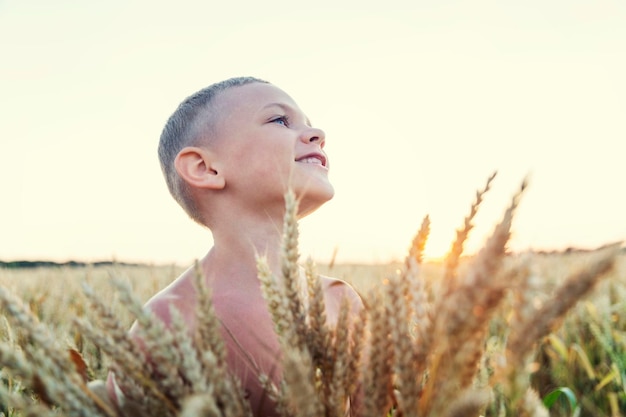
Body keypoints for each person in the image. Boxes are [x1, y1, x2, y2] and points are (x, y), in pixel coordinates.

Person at [104, 77, 363, 416]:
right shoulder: (169, 322)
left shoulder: (341, 302)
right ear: (205, 167)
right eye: (280, 120)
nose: (318, 134)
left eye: (310, 124)